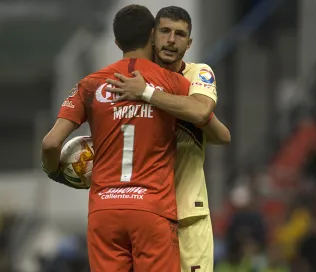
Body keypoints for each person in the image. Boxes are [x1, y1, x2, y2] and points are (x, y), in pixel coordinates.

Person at [41, 4, 215, 272]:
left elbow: (50, 143)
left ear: (116, 41)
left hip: (104, 210)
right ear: (152, 35)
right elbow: (205, 117)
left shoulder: (89, 85)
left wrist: (54, 172)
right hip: (152, 209)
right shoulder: (171, 83)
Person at [106, 6, 230, 272]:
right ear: (152, 36)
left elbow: (207, 118)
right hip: (144, 211)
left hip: (188, 214)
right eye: (165, 31)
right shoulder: (132, 78)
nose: (171, 40)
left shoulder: (197, 73)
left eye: (180, 34)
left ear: (189, 42)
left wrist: (148, 93)